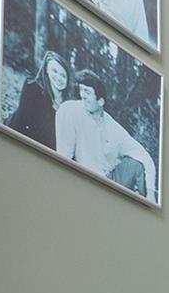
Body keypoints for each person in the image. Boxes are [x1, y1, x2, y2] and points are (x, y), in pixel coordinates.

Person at [56, 68, 156, 199]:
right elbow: (64, 155)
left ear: (101, 101)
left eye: (87, 92)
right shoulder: (71, 110)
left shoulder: (113, 127)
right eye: (81, 90)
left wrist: (150, 193)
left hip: (110, 180)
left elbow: (144, 157)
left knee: (137, 165)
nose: (82, 95)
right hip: (86, 179)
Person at [6, 49, 70, 149]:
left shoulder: (69, 105)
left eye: (63, 75)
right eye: (54, 71)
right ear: (46, 70)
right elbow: (21, 122)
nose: (58, 78)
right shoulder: (33, 88)